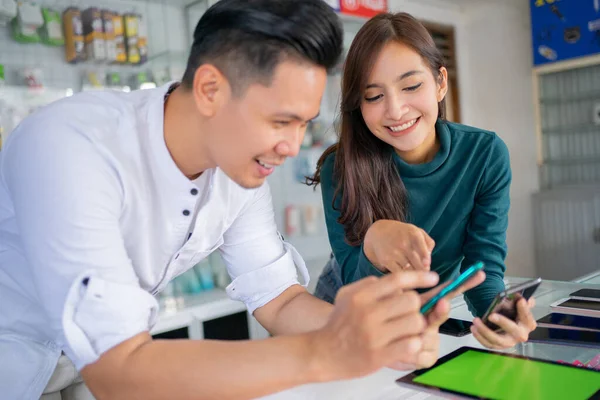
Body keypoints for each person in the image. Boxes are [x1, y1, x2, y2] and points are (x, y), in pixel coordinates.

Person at [0, 2, 484, 399]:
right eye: (281, 121)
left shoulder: (238, 170)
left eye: (304, 124)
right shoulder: (70, 145)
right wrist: (324, 352)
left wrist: (375, 334)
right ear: (211, 89)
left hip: (93, 363)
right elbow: (120, 371)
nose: (294, 147)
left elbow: (279, 297)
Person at [308, 12, 536, 350]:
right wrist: (373, 247)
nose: (396, 110)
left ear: (440, 83)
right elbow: (355, 288)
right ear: (359, 104)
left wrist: (497, 316)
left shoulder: (485, 153)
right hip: (343, 305)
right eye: (373, 96)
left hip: (424, 312)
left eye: (411, 86)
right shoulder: (340, 169)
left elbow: (482, 265)